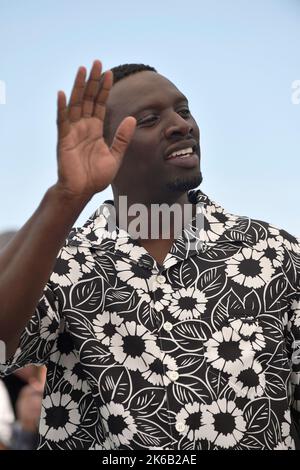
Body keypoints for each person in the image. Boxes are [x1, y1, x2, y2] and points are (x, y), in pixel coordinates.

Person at [0, 60, 299, 450]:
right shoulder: (64, 263)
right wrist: (66, 197)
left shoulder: (275, 254)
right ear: (105, 147)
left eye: (184, 110)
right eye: (150, 119)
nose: (181, 124)